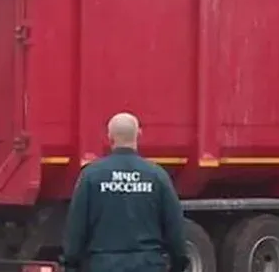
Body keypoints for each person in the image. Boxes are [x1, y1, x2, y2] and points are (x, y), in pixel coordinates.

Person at [62, 113, 187, 272]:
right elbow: (174, 226)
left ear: (109, 137)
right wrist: (178, 263)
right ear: (139, 135)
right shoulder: (156, 175)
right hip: (148, 264)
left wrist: (71, 263)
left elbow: (76, 227)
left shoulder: (91, 176)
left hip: (103, 265)